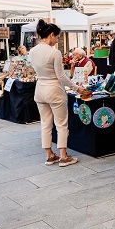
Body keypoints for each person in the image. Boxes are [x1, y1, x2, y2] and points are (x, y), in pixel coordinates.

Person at [29, 20, 85, 167]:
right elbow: (61, 76)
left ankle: (49, 155)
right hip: (54, 90)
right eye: (57, 37)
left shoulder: (33, 51)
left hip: (40, 89)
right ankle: (63, 156)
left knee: (45, 124)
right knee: (61, 124)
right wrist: (76, 88)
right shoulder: (55, 52)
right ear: (51, 35)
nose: (57, 40)